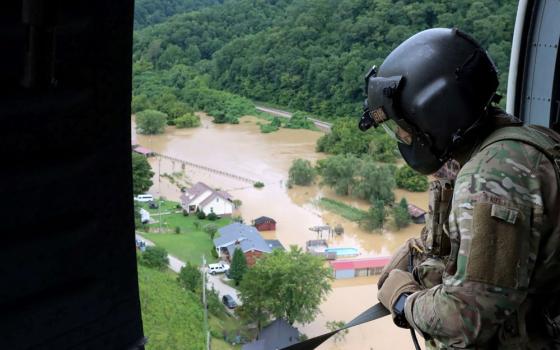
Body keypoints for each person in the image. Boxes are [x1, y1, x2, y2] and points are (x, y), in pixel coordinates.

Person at [359, 28, 560, 349]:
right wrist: (416, 254)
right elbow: (457, 240)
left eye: (403, 129)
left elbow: (465, 320)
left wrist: (403, 301)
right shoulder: (521, 143)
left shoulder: (490, 178)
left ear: (434, 116)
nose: (402, 138)